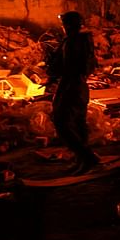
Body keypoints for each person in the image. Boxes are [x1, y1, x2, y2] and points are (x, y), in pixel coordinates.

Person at [46, 11, 101, 175]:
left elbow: (65, 67)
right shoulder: (85, 41)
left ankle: (87, 157)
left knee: (62, 122)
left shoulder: (71, 43)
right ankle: (82, 161)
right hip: (80, 85)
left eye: (64, 24)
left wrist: (52, 63)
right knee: (78, 123)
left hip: (71, 85)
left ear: (68, 25)